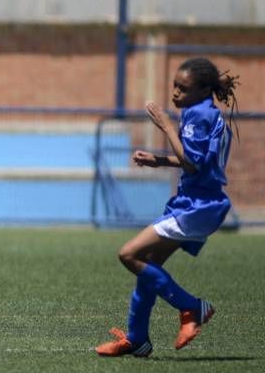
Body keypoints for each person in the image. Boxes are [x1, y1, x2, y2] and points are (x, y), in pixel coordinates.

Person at [96, 57, 240, 357]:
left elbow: (191, 162)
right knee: (149, 263)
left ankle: (191, 307)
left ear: (203, 90)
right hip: (200, 203)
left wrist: (165, 126)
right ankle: (137, 339)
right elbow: (197, 162)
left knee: (129, 254)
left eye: (183, 89)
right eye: (174, 86)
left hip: (196, 206)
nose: (175, 93)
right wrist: (160, 160)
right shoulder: (204, 112)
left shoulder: (198, 115)